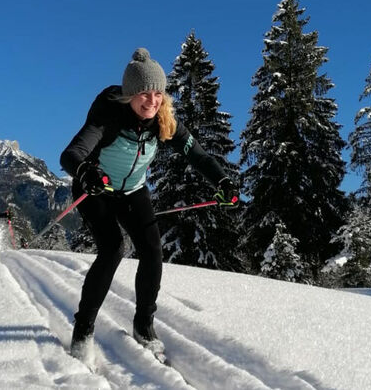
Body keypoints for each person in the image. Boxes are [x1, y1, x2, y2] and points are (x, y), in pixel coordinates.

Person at [60, 48, 239, 360]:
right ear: (130, 93)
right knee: (113, 247)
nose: (152, 101)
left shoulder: (164, 120)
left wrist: (222, 182)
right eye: (144, 93)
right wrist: (86, 171)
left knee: (152, 250)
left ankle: (144, 325)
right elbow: (72, 153)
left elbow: (197, 155)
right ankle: (83, 330)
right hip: (96, 188)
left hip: (133, 191)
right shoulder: (108, 115)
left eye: (158, 93)